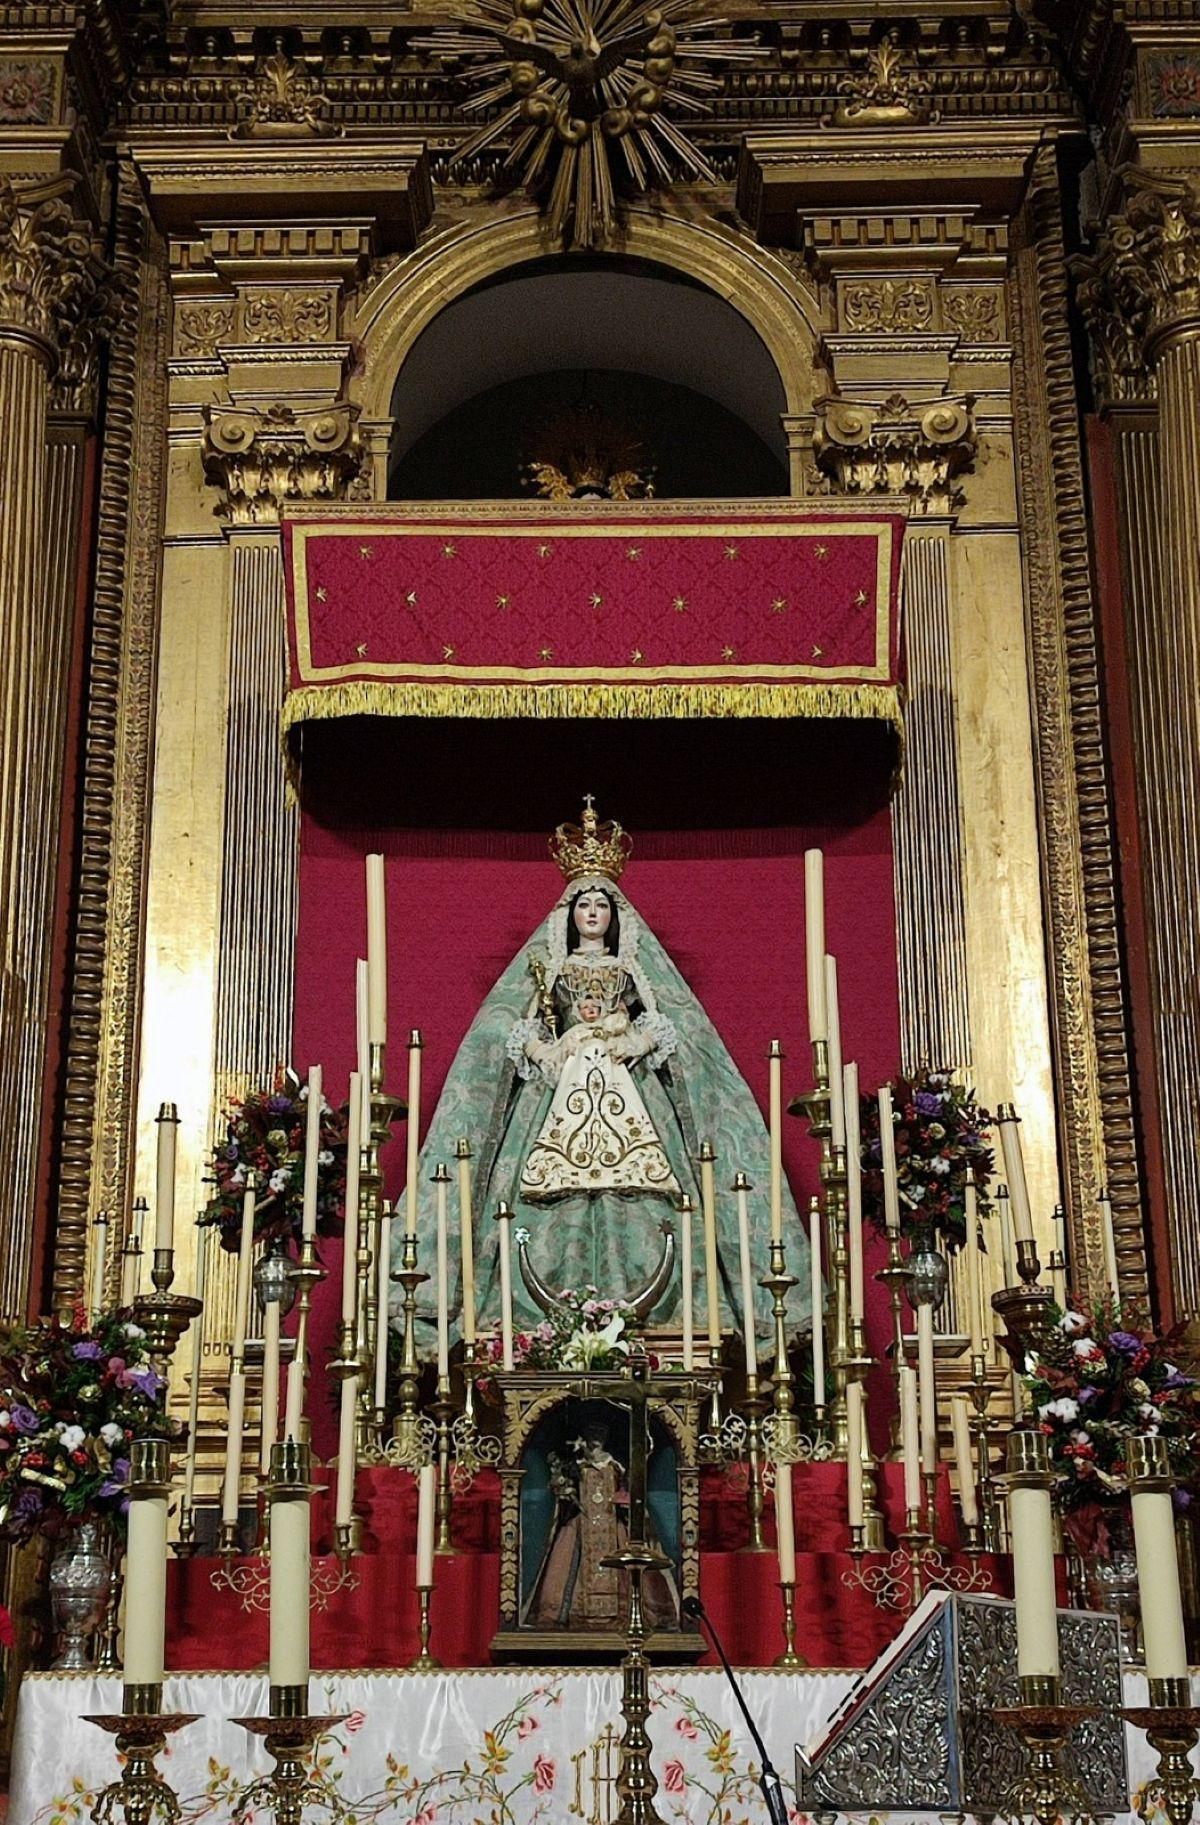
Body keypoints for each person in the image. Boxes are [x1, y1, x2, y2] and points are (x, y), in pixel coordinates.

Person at [406, 799, 808, 1341]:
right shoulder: (553, 965)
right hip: (562, 1084)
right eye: (583, 905)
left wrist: (636, 1038)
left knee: (646, 1187)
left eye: (601, 905)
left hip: (627, 1084)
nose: (592, 913)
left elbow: (664, 1020)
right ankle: (532, 1316)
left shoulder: (629, 965)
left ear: (615, 916)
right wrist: (547, 1050)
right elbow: (521, 1025)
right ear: (568, 916)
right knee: (538, 1190)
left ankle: (659, 1312)